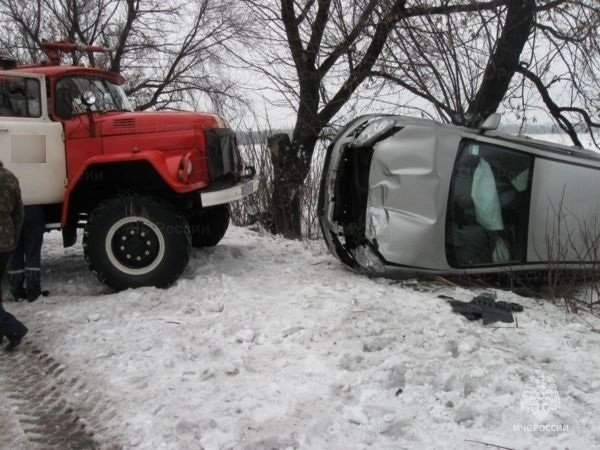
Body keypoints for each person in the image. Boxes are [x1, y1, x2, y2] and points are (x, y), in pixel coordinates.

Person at [0, 161, 28, 350]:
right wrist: (13, 239)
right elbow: (19, 213)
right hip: (6, 241)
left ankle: (13, 328)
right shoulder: (10, 177)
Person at [8, 205, 47, 302]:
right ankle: (33, 292)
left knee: (14, 254)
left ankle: (17, 292)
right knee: (33, 254)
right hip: (33, 210)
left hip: (12, 212)